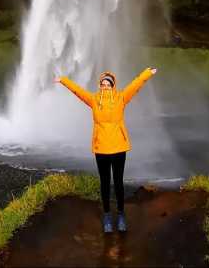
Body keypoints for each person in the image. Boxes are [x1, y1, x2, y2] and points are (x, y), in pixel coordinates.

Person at [55, 66, 158, 234]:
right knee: (104, 183)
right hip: (101, 148)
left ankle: (122, 215)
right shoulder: (94, 100)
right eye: (102, 84)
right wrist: (63, 80)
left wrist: (147, 73)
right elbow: (78, 91)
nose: (104, 86)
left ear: (113, 85)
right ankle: (107, 216)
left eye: (107, 84)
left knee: (118, 182)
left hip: (118, 147)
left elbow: (135, 85)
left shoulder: (121, 98)